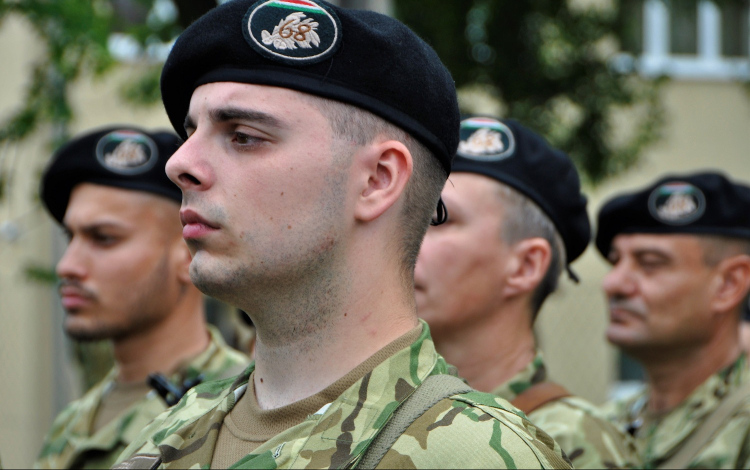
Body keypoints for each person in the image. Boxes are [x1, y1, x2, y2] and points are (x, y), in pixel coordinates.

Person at [113, 1, 572, 468]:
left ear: (377, 180)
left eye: (243, 135)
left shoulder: (474, 457)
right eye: (190, 133)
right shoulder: (165, 435)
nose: (179, 164)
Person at [414, 116, 639, 468]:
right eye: (406, 215)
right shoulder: (378, 413)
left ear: (525, 266)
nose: (405, 237)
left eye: (437, 218)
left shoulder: (568, 443)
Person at [34, 126, 249, 469]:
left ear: (190, 253)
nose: (67, 266)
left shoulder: (245, 407)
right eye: (70, 237)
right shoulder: (71, 423)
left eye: (103, 238)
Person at [599, 172, 750, 468]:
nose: (613, 283)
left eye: (650, 263)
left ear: (729, 285)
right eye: (616, 261)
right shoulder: (602, 425)